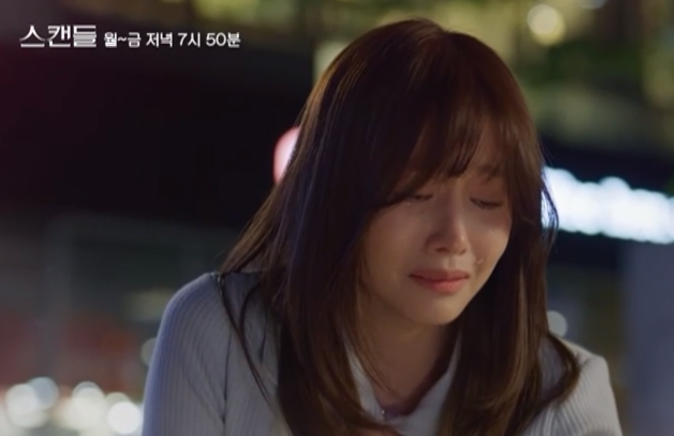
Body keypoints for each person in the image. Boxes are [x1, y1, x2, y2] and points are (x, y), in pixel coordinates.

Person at [141, 18, 623, 436]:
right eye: (416, 194)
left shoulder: (562, 391)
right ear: (338, 190)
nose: (454, 238)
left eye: (486, 201)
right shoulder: (221, 334)